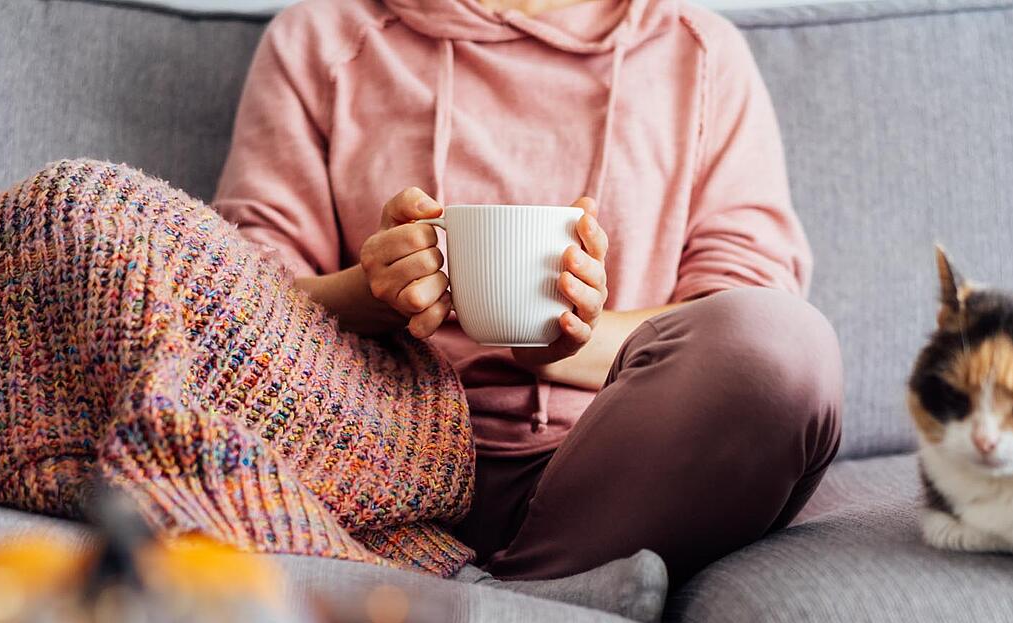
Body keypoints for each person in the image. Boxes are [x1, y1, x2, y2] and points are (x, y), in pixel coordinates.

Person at [213, 0, 843, 589]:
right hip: (381, 451)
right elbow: (237, 293)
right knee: (149, 242)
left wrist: (568, 343)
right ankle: (556, 602)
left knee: (784, 345)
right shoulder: (323, 37)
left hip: (618, 460)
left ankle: (510, 600)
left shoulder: (698, 54)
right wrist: (369, 293)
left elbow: (740, 295)